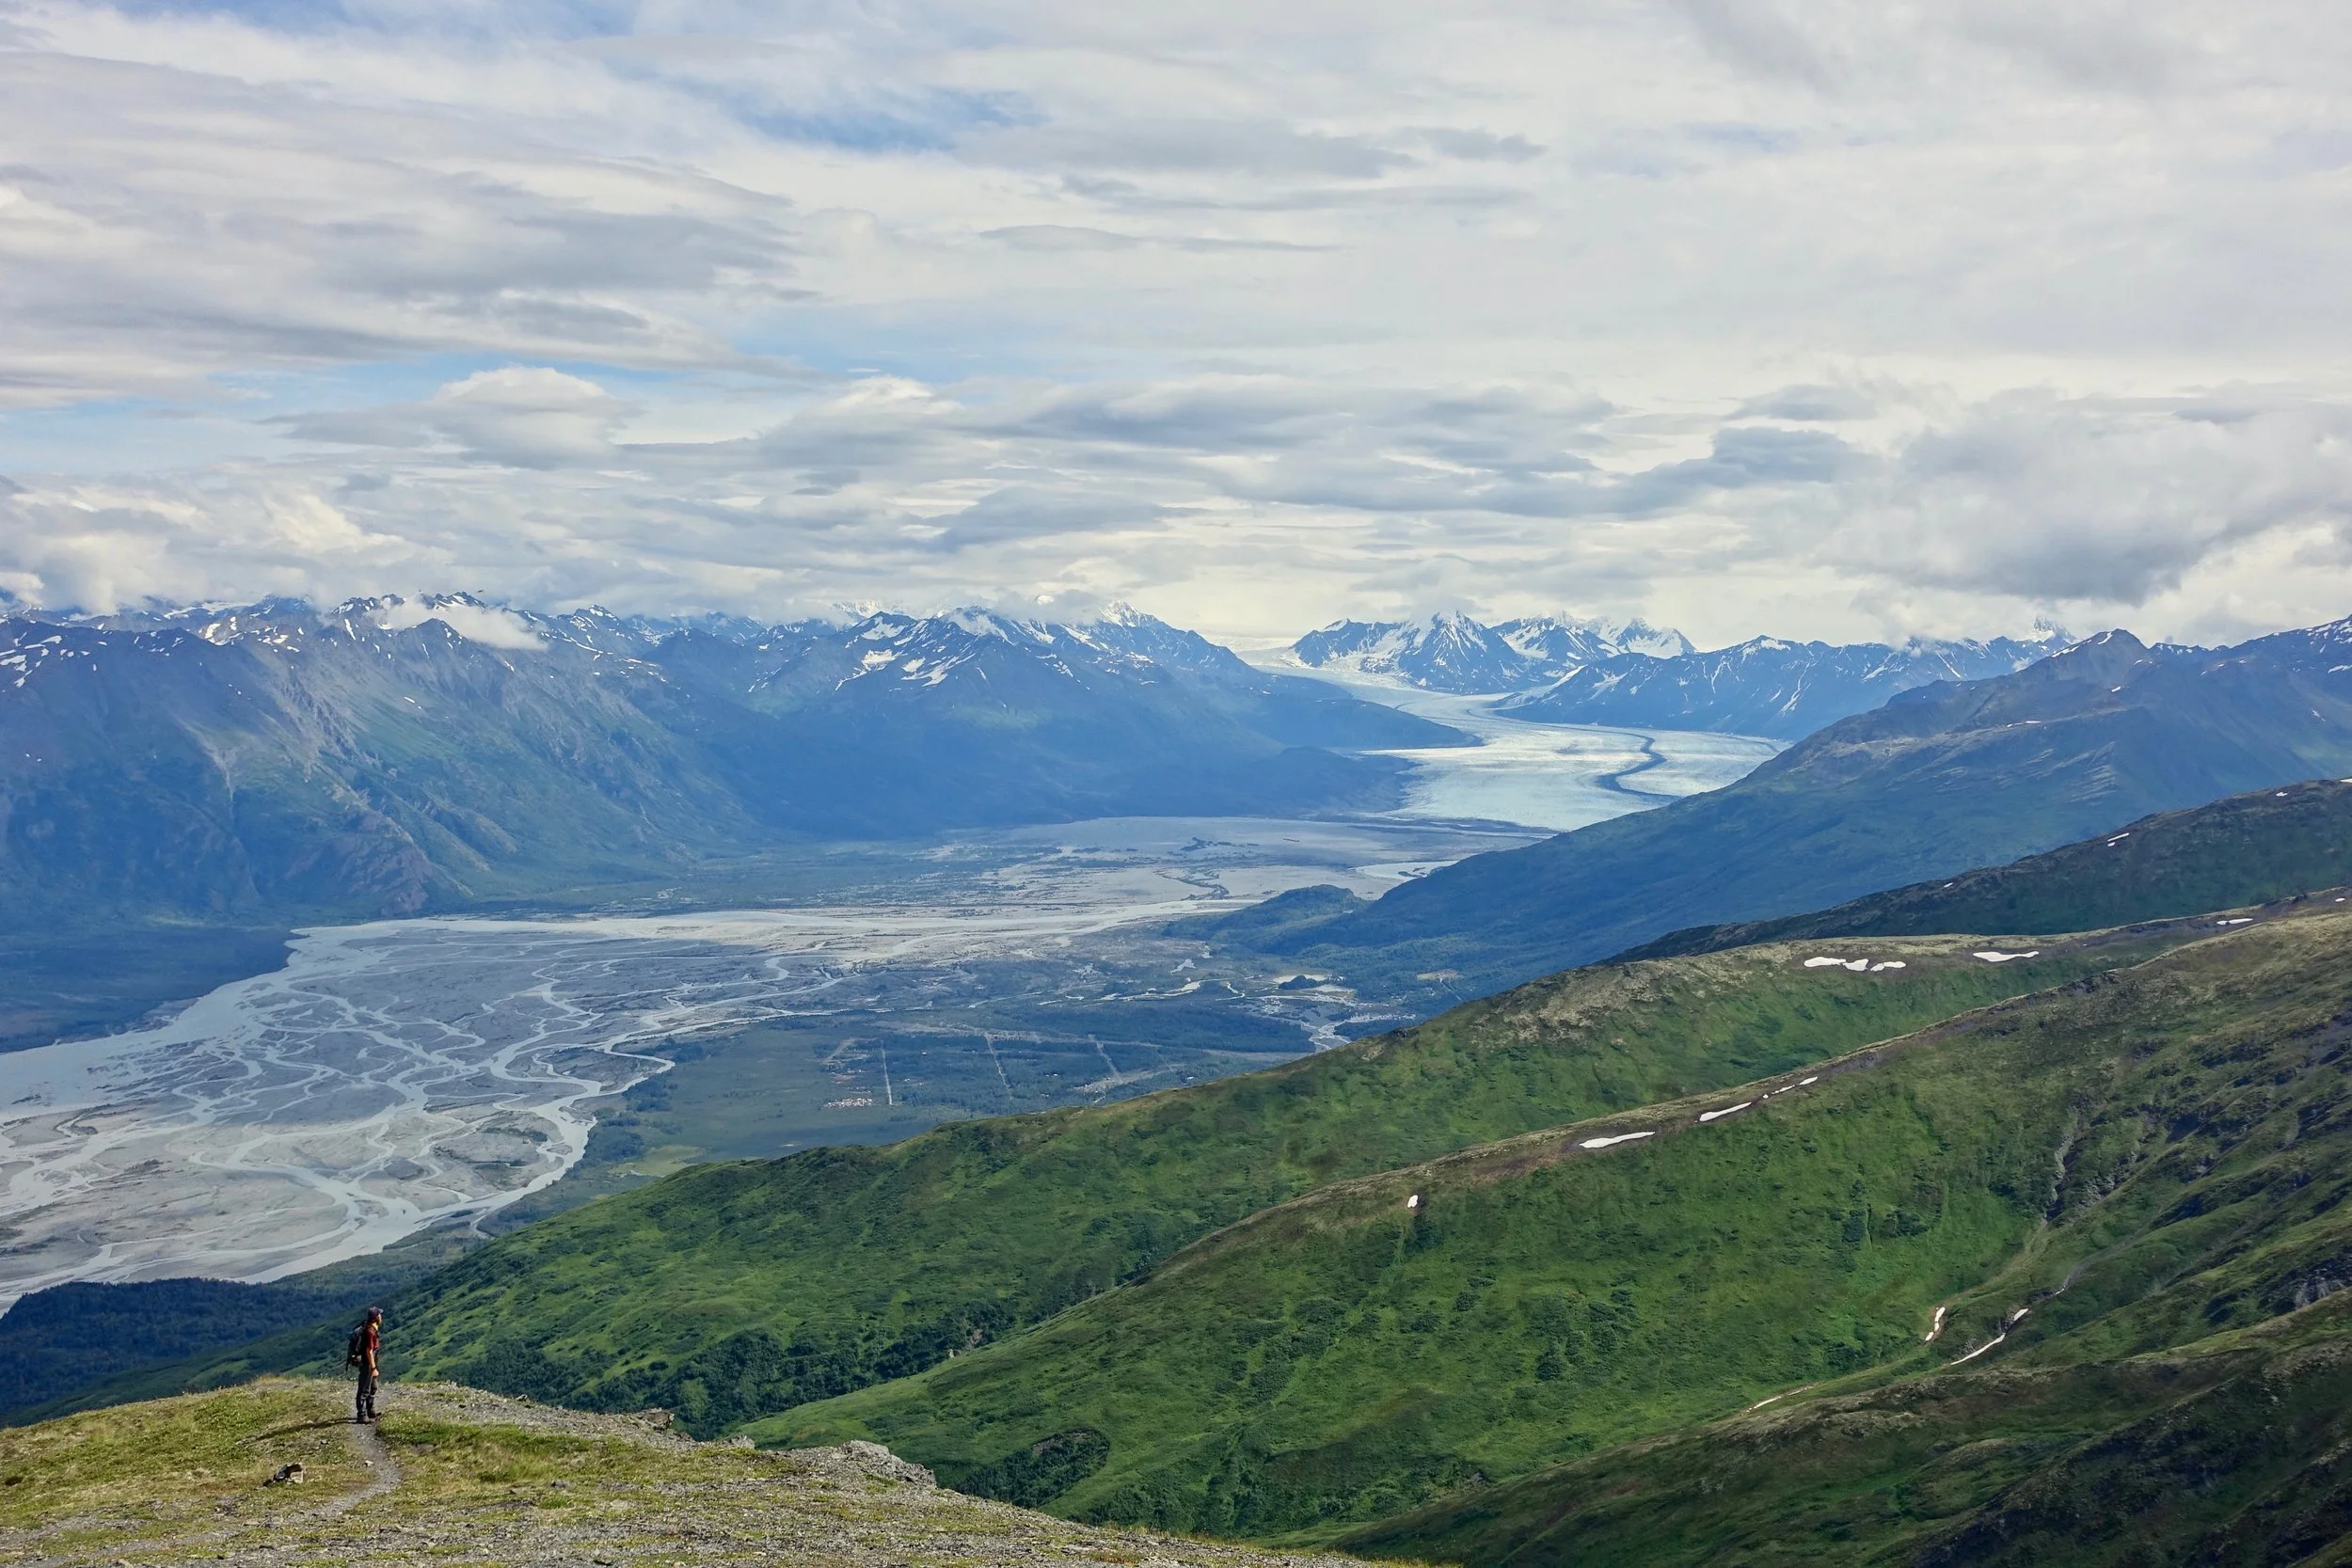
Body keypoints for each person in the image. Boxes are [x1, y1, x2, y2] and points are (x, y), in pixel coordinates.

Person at [347, 1306, 383, 1423]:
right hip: (367, 1362)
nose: (381, 1316)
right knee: (364, 1388)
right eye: (379, 1314)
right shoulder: (370, 1332)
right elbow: (368, 1351)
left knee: (373, 1387)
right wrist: (373, 1368)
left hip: (371, 1361)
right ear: (377, 1317)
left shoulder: (371, 1328)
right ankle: (361, 1415)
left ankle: (370, 1410)